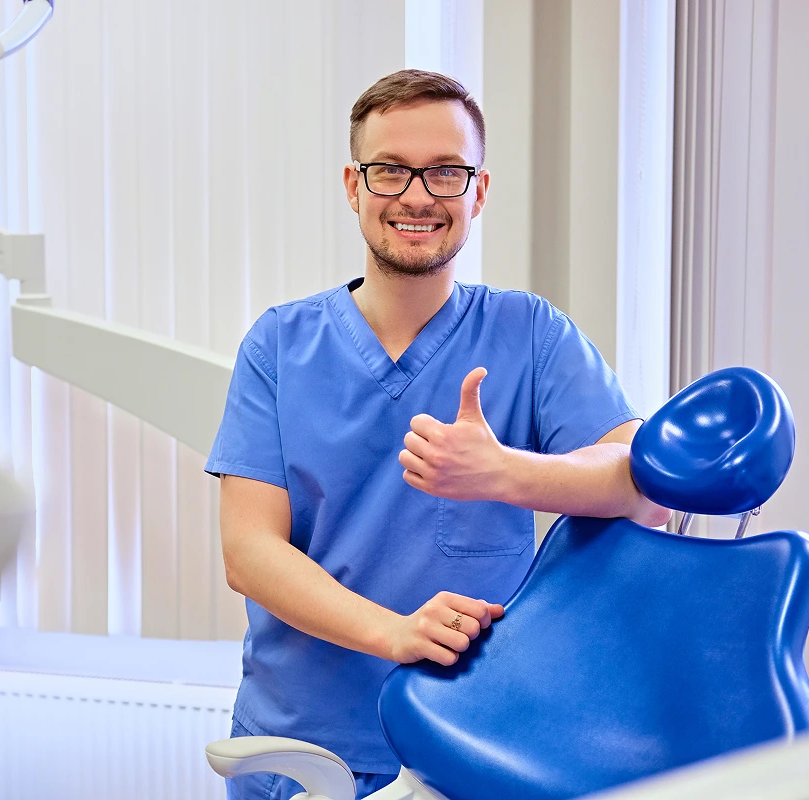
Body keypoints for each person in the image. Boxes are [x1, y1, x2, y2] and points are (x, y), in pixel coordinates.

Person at [205, 69, 672, 800]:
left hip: (475, 745)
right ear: (354, 185)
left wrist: (504, 473)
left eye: (445, 172)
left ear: (478, 190)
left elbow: (645, 487)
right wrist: (395, 633)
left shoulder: (531, 335)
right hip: (305, 748)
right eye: (390, 170)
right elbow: (249, 552)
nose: (417, 196)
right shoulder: (278, 345)